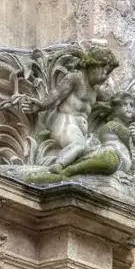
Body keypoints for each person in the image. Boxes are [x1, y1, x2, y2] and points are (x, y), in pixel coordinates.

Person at [21, 44, 119, 176]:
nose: (106, 77)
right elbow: (56, 94)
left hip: (79, 131)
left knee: (101, 153)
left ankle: (71, 165)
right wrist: (40, 105)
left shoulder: (95, 89)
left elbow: (112, 101)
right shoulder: (76, 78)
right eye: (105, 71)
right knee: (79, 145)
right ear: (95, 65)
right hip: (64, 125)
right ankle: (57, 165)